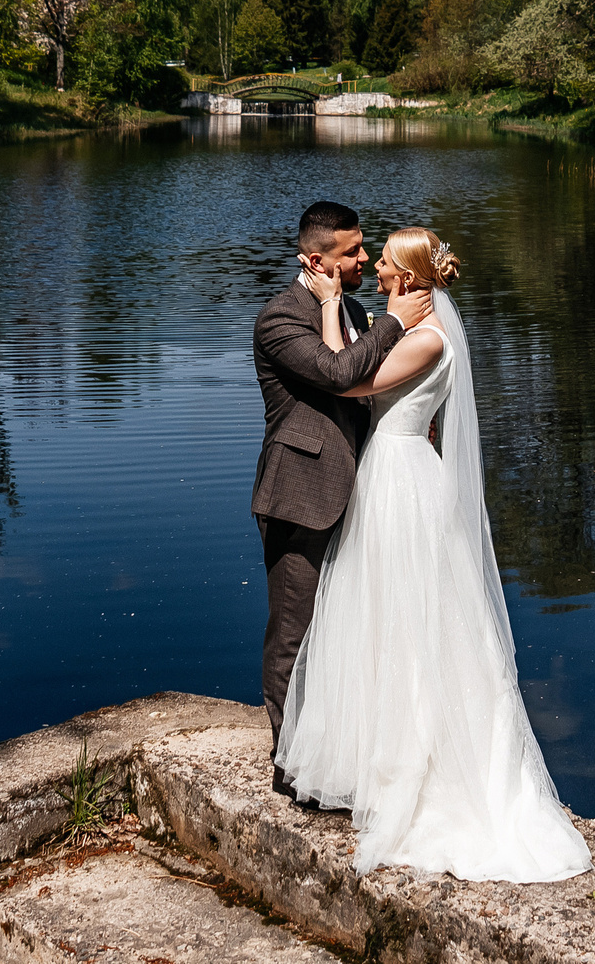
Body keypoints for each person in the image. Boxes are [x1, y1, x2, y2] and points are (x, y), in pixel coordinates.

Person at [276, 227, 592, 884]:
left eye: (387, 259)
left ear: (411, 276)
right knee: (384, 618)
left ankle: (427, 764)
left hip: (401, 479)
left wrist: (343, 312)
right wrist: (343, 313)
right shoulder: (407, 328)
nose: (377, 265)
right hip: (384, 477)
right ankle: (382, 752)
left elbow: (354, 384)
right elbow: (350, 369)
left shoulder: (425, 338)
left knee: (416, 621)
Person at [252, 200, 432, 792]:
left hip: (367, 492)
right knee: (295, 632)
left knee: (348, 628)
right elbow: (336, 375)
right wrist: (396, 322)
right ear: (316, 260)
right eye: (352, 251)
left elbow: (373, 385)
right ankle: (290, 766)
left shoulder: (352, 307)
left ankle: (338, 753)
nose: (362, 256)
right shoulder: (280, 320)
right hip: (301, 494)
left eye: (363, 248)